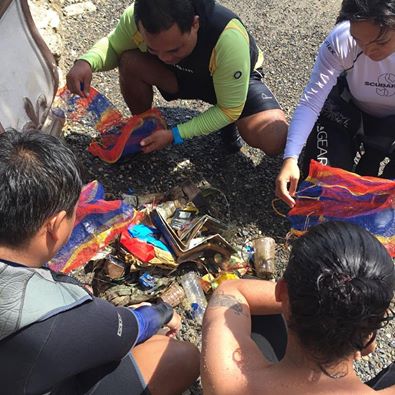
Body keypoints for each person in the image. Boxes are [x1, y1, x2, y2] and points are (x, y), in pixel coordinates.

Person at [0, 130, 199, 395]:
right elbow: (134, 326)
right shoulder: (64, 315)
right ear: (55, 226)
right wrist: (163, 311)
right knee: (180, 356)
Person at [66, 0, 287, 155]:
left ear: (195, 24)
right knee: (129, 61)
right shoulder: (136, 18)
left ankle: (228, 125)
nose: (164, 57)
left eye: (174, 49)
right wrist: (87, 62)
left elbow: (229, 108)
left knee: (274, 138)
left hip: (232, 80)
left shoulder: (228, 37)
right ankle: (146, 128)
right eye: (153, 50)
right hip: (181, 77)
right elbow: (114, 47)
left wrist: (174, 135)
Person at [201, 221, 395, 394]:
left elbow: (231, 291)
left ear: (282, 292)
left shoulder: (226, 381)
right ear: (372, 325)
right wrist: (355, 318)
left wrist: (304, 296)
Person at [276, 0, 395, 208]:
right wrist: (291, 157)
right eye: (359, 40)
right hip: (350, 111)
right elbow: (312, 101)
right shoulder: (343, 38)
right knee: (325, 193)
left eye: (381, 42)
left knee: (387, 208)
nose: (369, 52)